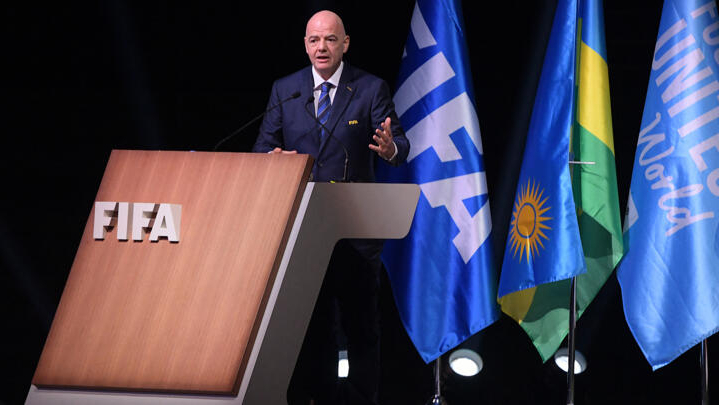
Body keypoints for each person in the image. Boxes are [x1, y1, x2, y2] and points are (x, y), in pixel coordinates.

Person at [252, 9, 410, 405]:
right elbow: (262, 149)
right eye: (314, 40)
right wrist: (273, 159)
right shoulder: (286, 90)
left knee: (361, 328)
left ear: (345, 43)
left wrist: (390, 148)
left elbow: (400, 146)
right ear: (305, 45)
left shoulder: (370, 89)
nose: (321, 47)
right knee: (313, 326)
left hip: (355, 231)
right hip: (304, 229)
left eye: (329, 39)